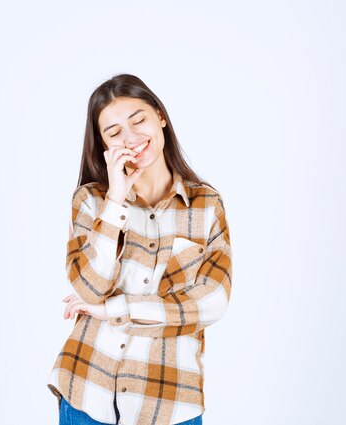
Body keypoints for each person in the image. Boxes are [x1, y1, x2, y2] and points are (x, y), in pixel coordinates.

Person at [47, 73, 233, 425]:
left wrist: (112, 310)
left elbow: (211, 302)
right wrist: (116, 200)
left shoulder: (206, 205)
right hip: (88, 391)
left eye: (139, 120)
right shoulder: (91, 201)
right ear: (103, 144)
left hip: (169, 402)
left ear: (160, 117)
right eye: (115, 133)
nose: (131, 137)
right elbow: (89, 287)